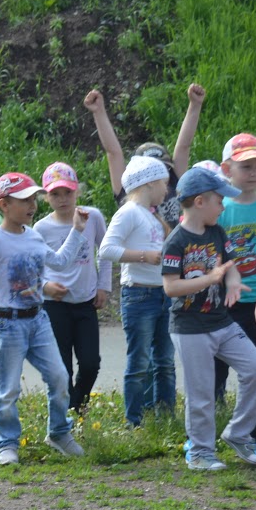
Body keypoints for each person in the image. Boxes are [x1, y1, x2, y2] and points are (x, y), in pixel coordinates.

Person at [0, 173, 89, 466]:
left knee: (59, 376)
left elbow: (59, 261)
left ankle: (59, 432)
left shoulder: (33, 236)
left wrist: (77, 230)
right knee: (8, 388)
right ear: (4, 204)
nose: (32, 205)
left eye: (33, 199)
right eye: (24, 200)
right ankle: (7, 443)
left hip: (38, 320)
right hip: (8, 323)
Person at [161, 166, 256, 472]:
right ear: (200, 202)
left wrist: (231, 279)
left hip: (221, 321)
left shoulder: (217, 232)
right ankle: (201, 452)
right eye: (220, 201)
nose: (224, 206)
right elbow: (171, 287)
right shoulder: (176, 241)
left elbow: (229, 263)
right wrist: (210, 279)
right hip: (190, 328)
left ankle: (238, 433)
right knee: (202, 394)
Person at [213, 133, 256, 461]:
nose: (254, 172)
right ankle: (210, 429)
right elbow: (212, 252)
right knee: (217, 369)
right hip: (226, 302)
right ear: (227, 168)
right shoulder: (221, 208)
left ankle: (254, 431)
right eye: (246, 166)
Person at [99, 155, 175, 426]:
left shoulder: (153, 216)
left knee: (164, 360)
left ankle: (165, 417)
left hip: (162, 294)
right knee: (140, 361)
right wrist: (144, 256)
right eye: (164, 184)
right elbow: (106, 249)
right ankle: (135, 420)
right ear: (149, 183)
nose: (167, 190)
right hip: (139, 296)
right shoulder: (129, 212)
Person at [34, 162, 111, 412]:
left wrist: (103, 286)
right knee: (62, 366)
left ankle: (77, 405)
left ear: (76, 191)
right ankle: (65, 415)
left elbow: (106, 251)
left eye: (67, 192)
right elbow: (33, 268)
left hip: (86, 301)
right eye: (55, 194)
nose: (62, 199)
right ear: (46, 197)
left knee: (91, 364)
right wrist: (45, 286)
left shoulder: (92, 216)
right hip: (55, 305)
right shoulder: (41, 228)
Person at [83, 83, 205, 228]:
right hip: (140, 250)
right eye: (152, 173)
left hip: (172, 249)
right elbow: (113, 153)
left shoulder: (174, 182)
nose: (159, 178)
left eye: (162, 171)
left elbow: (184, 147)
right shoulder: (128, 193)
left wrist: (195, 104)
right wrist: (98, 112)